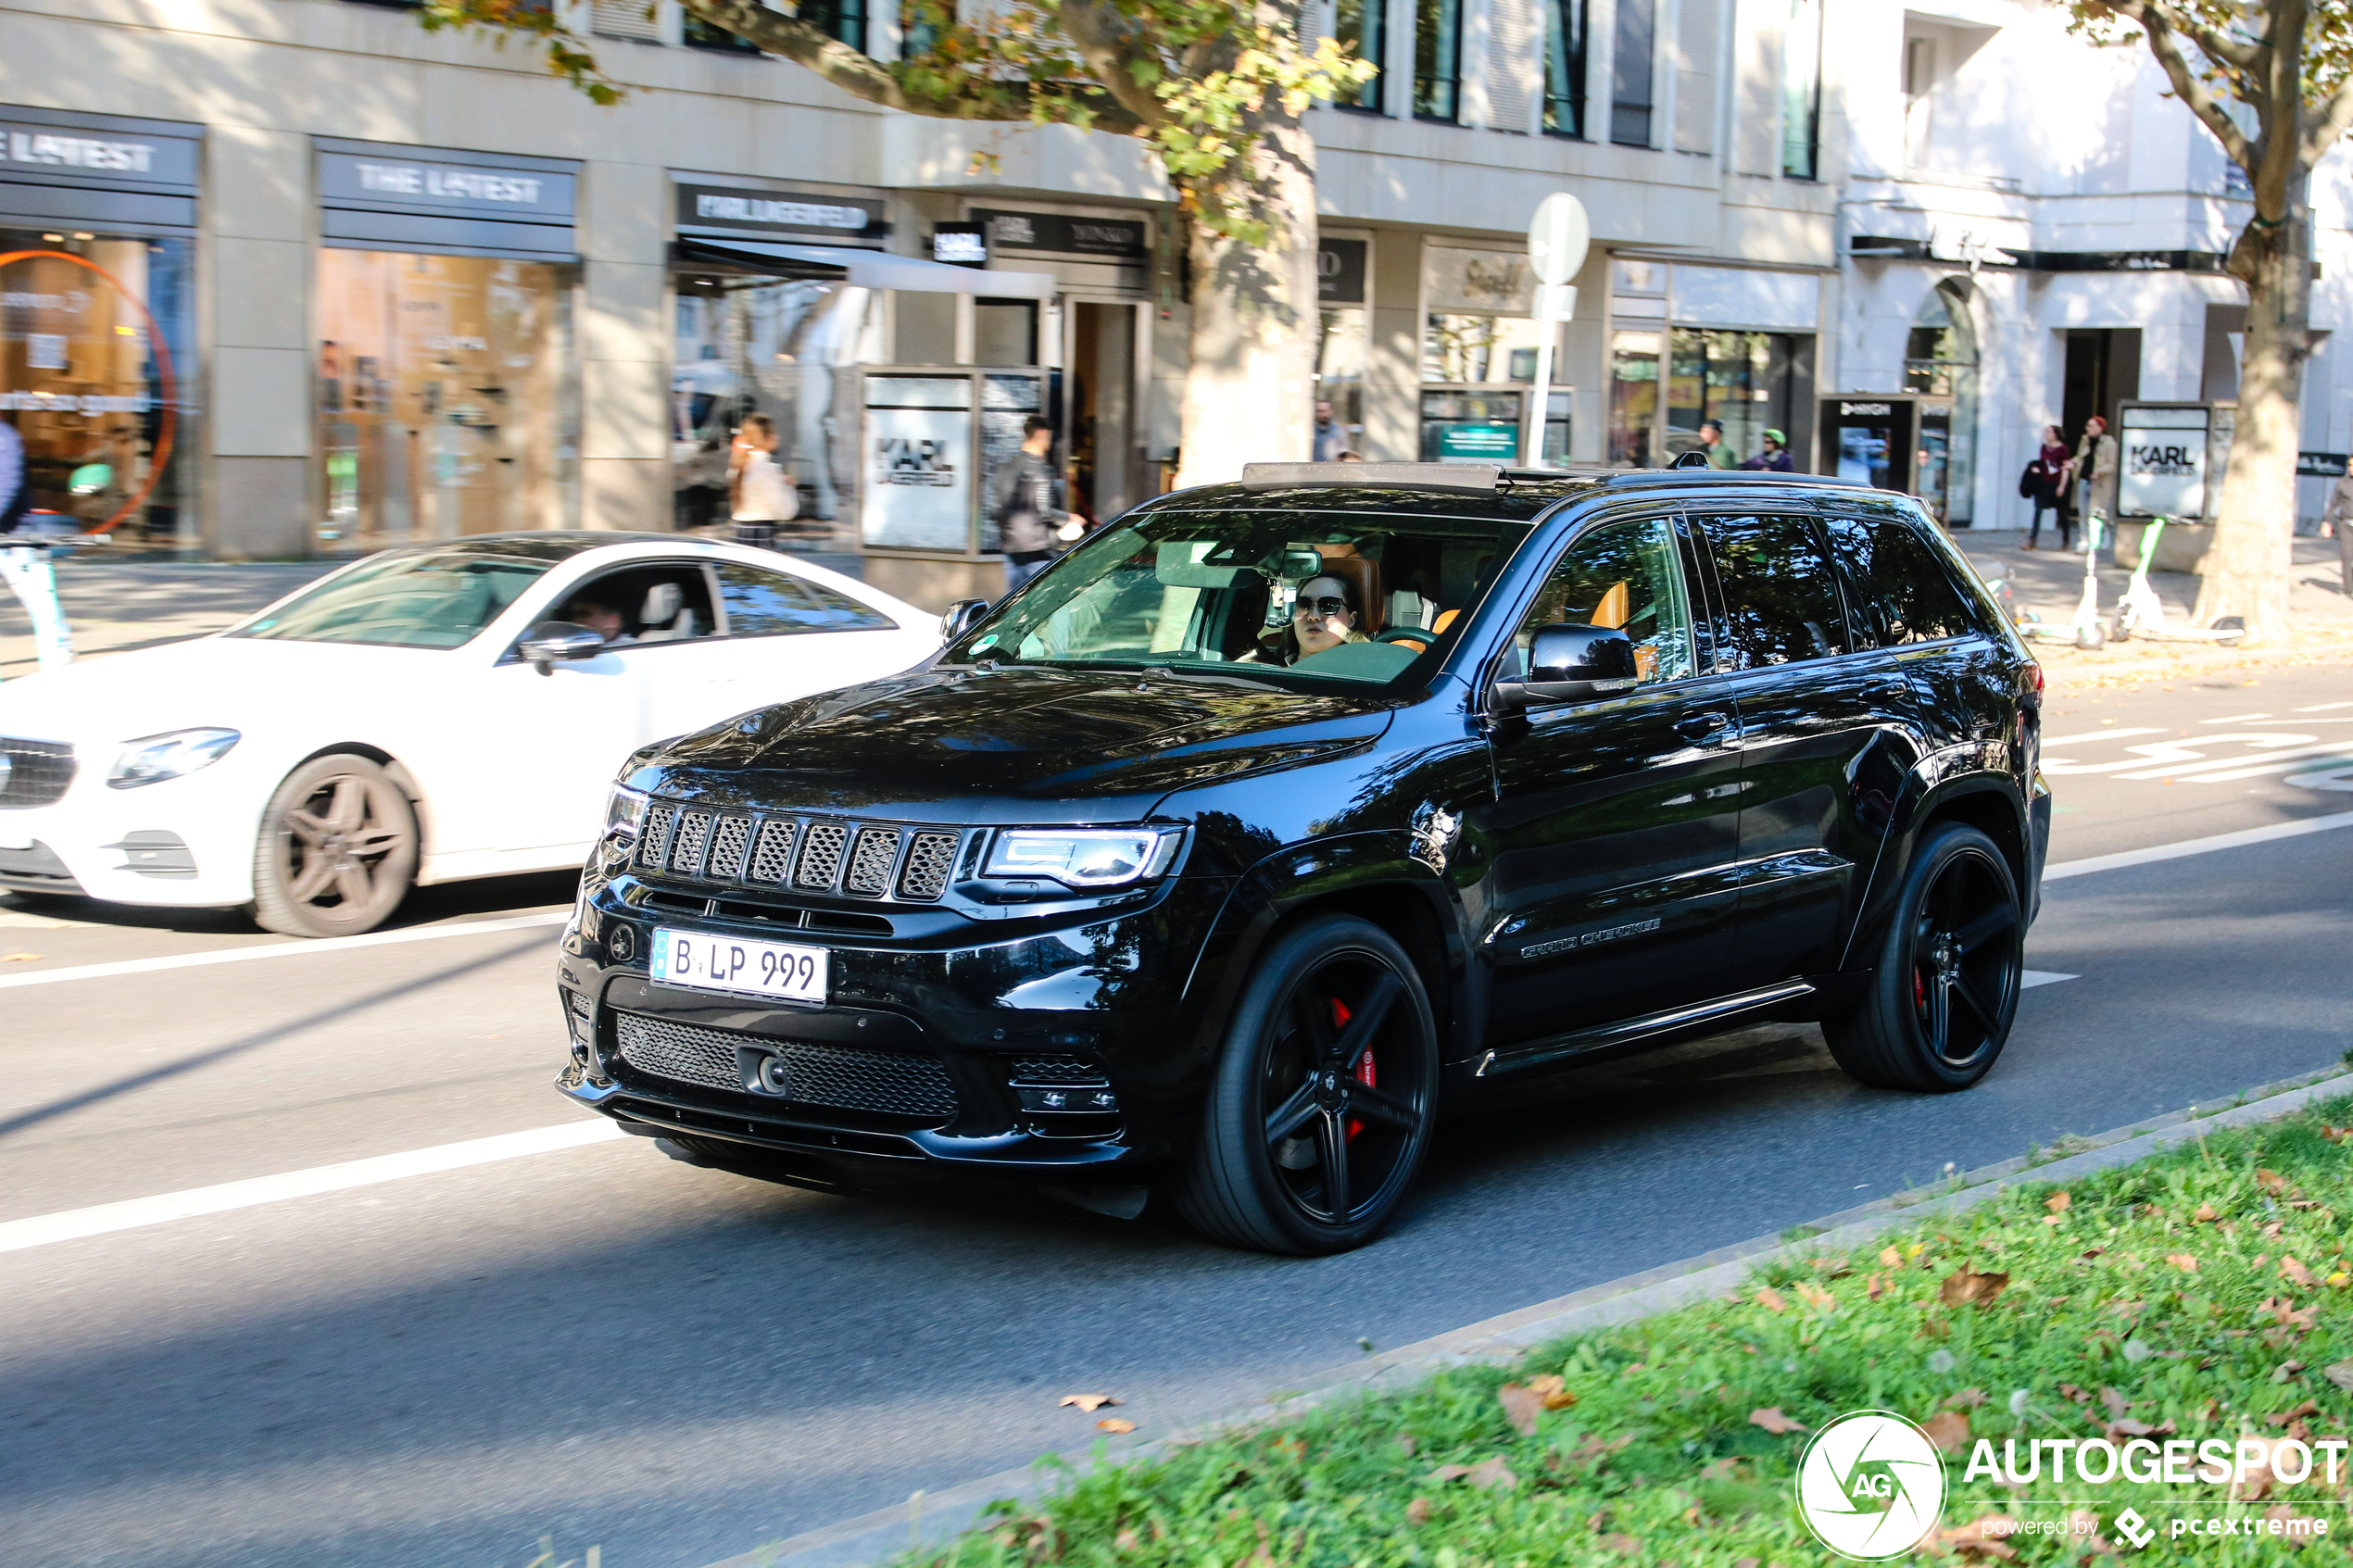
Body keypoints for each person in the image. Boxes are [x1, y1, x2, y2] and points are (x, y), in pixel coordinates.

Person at [0, 417, 75, 679]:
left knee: (35, 594)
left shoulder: (4, 438)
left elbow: (7, 484)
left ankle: (59, 648)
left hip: (15, 535)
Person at [993, 414, 1067, 596]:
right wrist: (1069, 518)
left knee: (1012, 604)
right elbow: (1045, 511)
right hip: (1038, 550)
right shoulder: (1040, 469)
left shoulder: (1007, 466)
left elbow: (996, 509)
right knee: (1041, 603)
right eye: (1049, 436)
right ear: (1042, 434)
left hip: (1011, 549)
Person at [1241, 571, 1372, 667]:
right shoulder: (1257, 665)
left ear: (1352, 620)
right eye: (1303, 605)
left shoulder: (1368, 673)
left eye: (1329, 605)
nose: (1313, 616)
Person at [728, 412, 795, 552]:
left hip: (741, 532)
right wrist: (788, 487)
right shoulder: (766, 469)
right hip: (761, 534)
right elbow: (786, 511)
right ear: (767, 438)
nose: (778, 437)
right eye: (774, 433)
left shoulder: (738, 465)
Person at [2024, 423, 2073, 552]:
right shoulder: (2044, 448)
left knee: (2062, 513)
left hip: (2057, 483)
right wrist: (2036, 468)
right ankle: (2032, 540)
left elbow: (2065, 468)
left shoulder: (2063, 449)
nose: (2046, 434)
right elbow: (2043, 462)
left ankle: (2066, 541)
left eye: (2049, 432)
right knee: (2038, 510)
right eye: (2045, 432)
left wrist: (2062, 486)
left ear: (2055, 435)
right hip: (2044, 483)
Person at [2073, 416, 2117, 549]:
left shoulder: (2109, 443)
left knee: (2099, 512)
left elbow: (2113, 463)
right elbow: (2080, 456)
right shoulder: (2085, 441)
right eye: (2088, 425)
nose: (2088, 429)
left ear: (2100, 428)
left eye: (2091, 426)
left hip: (2099, 483)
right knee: (2083, 511)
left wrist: (2099, 471)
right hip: (2084, 479)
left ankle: (2104, 537)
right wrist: (2072, 463)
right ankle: (2084, 538)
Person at [556, 592, 634, 645]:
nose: (575, 620)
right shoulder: (571, 645)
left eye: (584, 614)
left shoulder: (634, 651)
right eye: (573, 614)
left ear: (612, 621)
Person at [1313, 399, 1348, 463]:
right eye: (1319, 411)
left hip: (1332, 469)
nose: (1322, 414)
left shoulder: (1338, 431)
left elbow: (1343, 452)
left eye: (1325, 411)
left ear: (1330, 411)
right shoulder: (1310, 431)